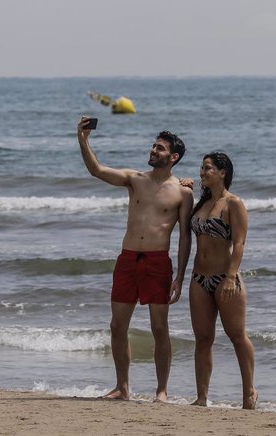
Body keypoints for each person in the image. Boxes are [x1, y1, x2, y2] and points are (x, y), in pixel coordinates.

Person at [77, 116, 194, 402]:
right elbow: (97, 170)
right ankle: (123, 387)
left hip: (158, 262)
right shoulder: (135, 179)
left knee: (159, 327)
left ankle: (162, 390)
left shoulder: (183, 192)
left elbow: (185, 237)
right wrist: (83, 139)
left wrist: (180, 276)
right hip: (128, 260)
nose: (154, 150)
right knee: (117, 325)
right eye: (153, 146)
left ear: (173, 156)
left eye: (160, 148)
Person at [189, 151, 257, 409]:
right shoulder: (200, 203)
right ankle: (202, 397)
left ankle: (249, 392)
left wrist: (231, 276)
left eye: (208, 168)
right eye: (202, 168)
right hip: (199, 278)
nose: (202, 172)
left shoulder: (233, 203)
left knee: (237, 336)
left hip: (225, 278)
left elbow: (239, 243)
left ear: (222, 172)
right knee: (203, 339)